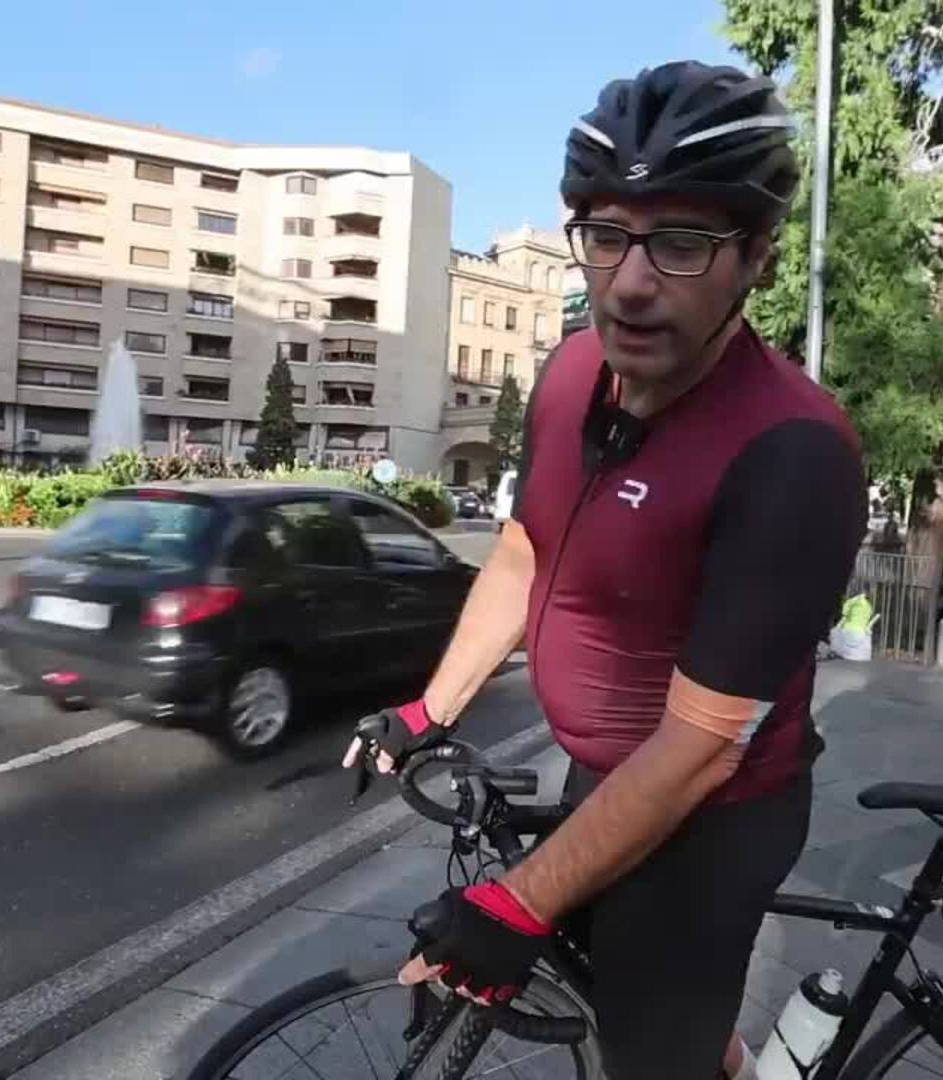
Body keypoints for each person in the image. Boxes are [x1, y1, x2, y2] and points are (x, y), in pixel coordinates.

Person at [341, 60, 866, 1080]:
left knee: (645, 1051)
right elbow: (526, 549)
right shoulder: (574, 369)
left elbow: (705, 746)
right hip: (604, 774)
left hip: (716, 813)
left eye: (680, 242)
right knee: (657, 1014)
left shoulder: (793, 451)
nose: (630, 281)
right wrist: (429, 710)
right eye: (609, 234)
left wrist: (522, 900)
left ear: (756, 258)